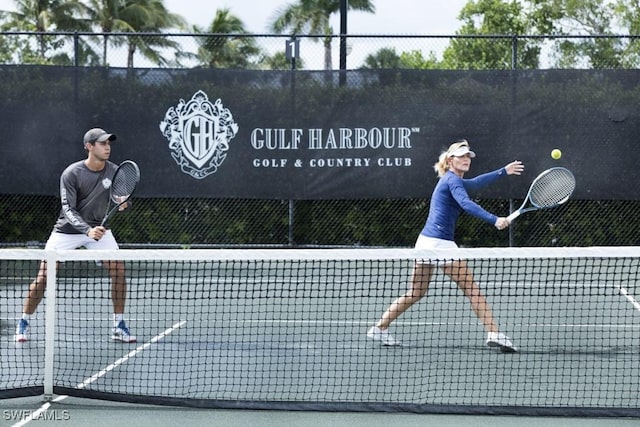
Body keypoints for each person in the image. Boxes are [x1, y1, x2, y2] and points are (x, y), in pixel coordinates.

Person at [367, 139, 524, 352]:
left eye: (469, 156)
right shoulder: (452, 180)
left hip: (425, 242)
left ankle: (380, 328)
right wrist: (495, 219)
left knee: (416, 292)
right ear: (451, 160)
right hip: (440, 244)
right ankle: (494, 333)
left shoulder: (453, 180)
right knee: (472, 289)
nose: (467, 159)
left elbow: (476, 182)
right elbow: (466, 203)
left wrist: (503, 171)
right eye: (462, 156)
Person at [15, 128, 136, 343]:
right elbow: (68, 209)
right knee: (44, 277)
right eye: (102, 143)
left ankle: (118, 324)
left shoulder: (115, 171)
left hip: (100, 230)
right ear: (89, 147)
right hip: (67, 232)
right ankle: (24, 321)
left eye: (109, 143)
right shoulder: (72, 173)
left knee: (118, 269)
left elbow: (120, 196)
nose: (107, 147)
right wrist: (87, 230)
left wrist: (123, 201)